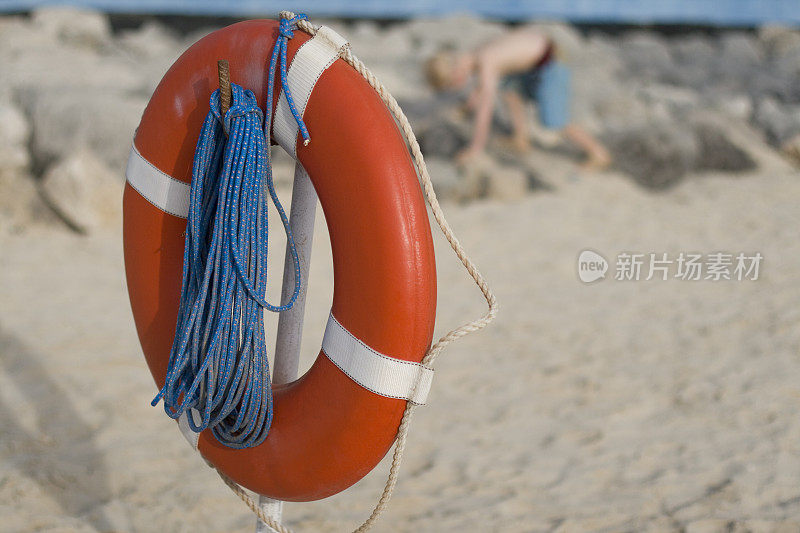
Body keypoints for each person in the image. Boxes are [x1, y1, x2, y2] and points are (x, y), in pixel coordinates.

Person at [425, 28, 611, 170]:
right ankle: (520, 138)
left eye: (452, 85)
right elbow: (480, 90)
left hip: (550, 63)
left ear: (456, 73)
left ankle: (598, 152)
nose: (456, 88)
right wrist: (467, 107)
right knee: (508, 88)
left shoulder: (486, 61)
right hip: (536, 58)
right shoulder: (476, 55)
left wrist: (476, 148)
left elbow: (486, 108)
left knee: (554, 120)